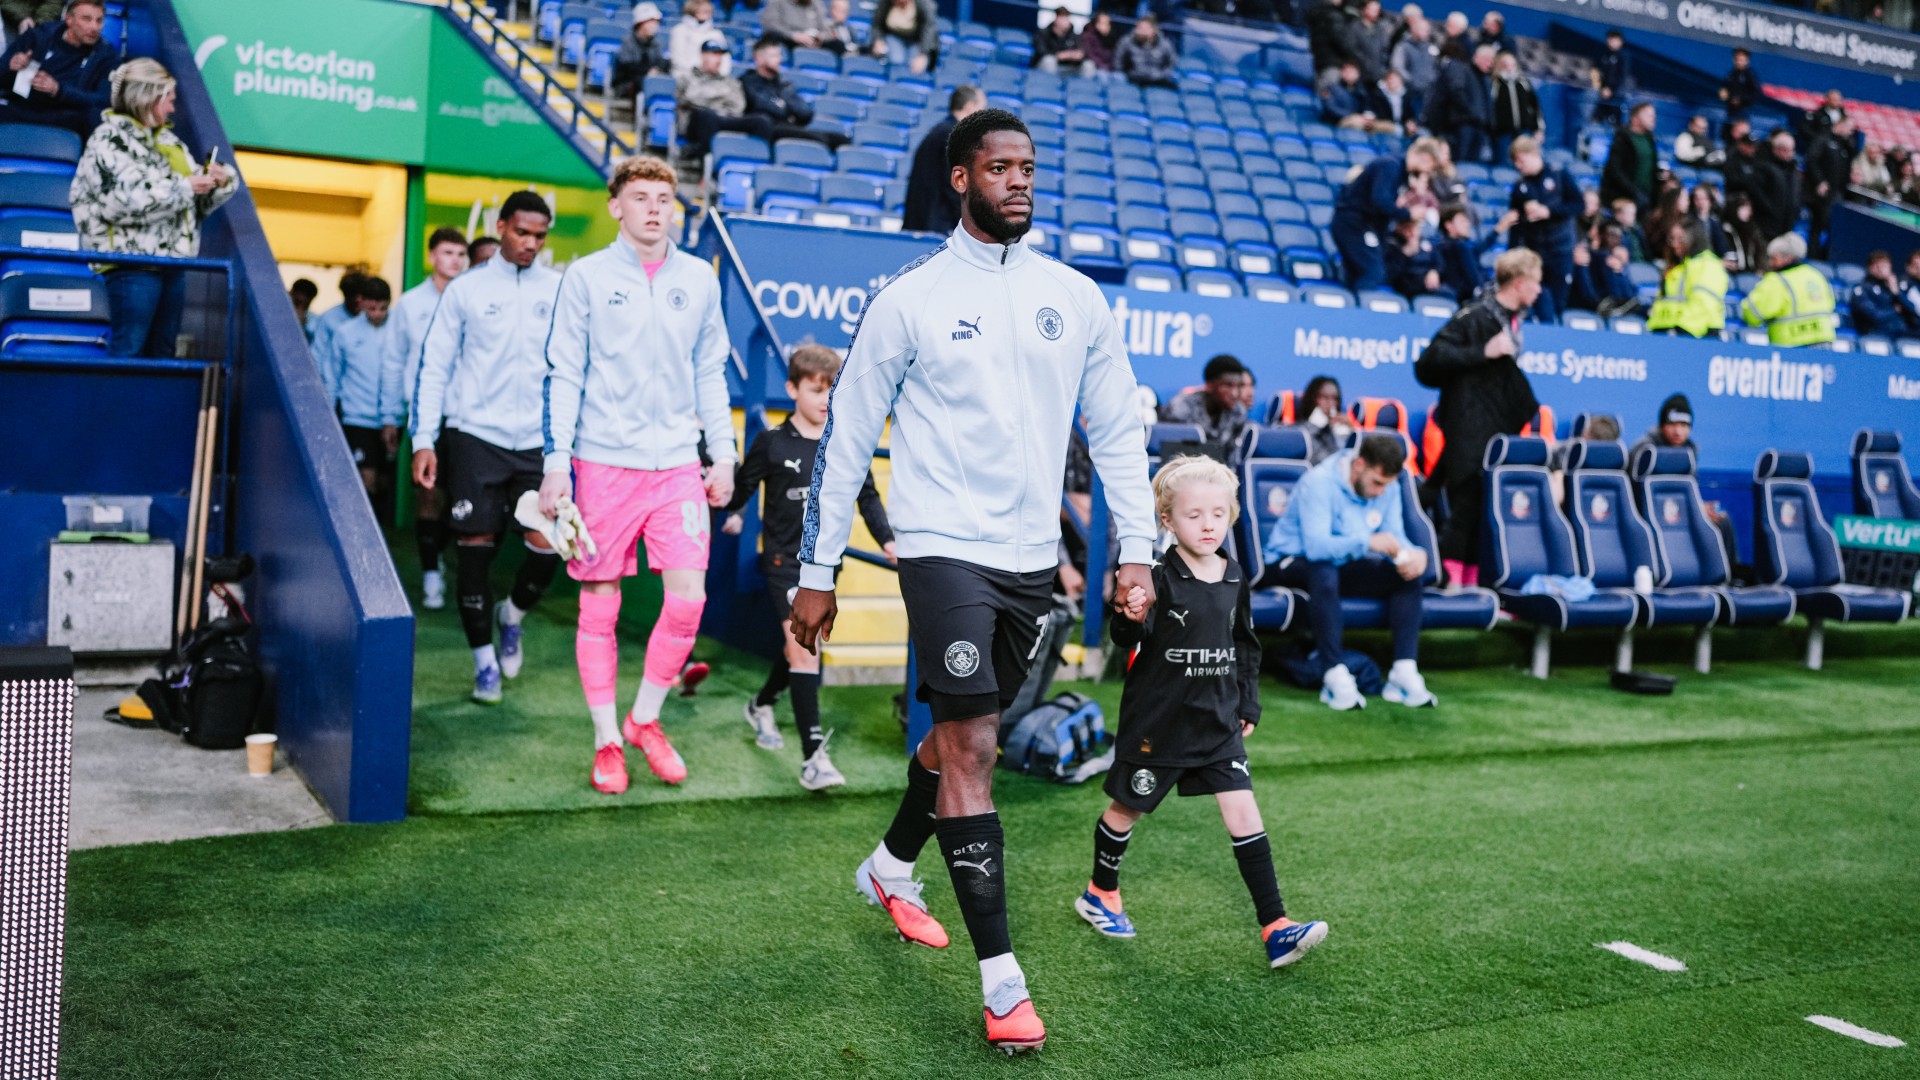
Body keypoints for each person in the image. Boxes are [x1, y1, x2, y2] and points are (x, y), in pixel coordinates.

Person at [790, 109, 1156, 1054]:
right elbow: (845, 444)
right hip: (941, 546)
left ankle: (888, 865)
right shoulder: (907, 299)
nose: (1019, 182)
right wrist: (816, 572)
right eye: (1000, 168)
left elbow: (1117, 431)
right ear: (961, 179)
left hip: (1032, 562)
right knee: (977, 748)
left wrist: (1137, 550)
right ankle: (1003, 987)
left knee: (964, 735)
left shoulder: (1074, 296)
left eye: (1029, 167)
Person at [1075, 456, 1330, 968]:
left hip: (1217, 721)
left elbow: (1244, 644)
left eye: (1219, 512)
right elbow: (1127, 637)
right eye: (1194, 515)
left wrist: (1247, 699)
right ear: (1167, 520)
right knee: (1127, 810)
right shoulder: (1156, 577)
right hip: (1159, 724)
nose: (1209, 524)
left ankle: (1276, 926)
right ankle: (1100, 893)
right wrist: (1129, 614)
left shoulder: (1234, 574)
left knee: (1244, 811)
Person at [539, 156, 735, 794]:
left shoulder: (699, 280)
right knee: (599, 604)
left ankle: (645, 719)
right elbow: (564, 371)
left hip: (677, 462)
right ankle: (606, 742)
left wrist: (723, 454)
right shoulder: (588, 277)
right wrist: (556, 464)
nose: (655, 207)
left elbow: (711, 371)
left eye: (664, 198)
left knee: (689, 600)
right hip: (601, 463)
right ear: (616, 206)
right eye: (641, 197)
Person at [410, 190, 565, 706]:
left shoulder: (560, 289)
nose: (531, 244)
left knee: (547, 548)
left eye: (540, 236)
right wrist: (424, 439)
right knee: (474, 554)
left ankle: (512, 616)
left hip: (539, 442)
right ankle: (483, 665)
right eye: (522, 233)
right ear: (501, 227)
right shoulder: (467, 290)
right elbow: (434, 366)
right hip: (475, 435)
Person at [722, 345, 895, 788]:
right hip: (783, 564)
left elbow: (868, 498)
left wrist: (889, 541)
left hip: (826, 568)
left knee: (798, 646)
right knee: (805, 651)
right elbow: (739, 489)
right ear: (792, 389)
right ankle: (813, 757)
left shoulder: (846, 441)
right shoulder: (771, 443)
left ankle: (761, 704)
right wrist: (731, 509)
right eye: (815, 389)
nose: (824, 398)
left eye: (831, 390)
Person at [69, 58, 235, 359]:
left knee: (163, 355)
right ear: (147, 97)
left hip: (172, 265)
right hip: (131, 265)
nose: (173, 108)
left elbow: (191, 207)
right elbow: (120, 202)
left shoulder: (171, 142)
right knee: (129, 350)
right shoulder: (107, 139)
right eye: (168, 99)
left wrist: (216, 182)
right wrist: (186, 186)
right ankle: (118, 408)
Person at [1261, 433, 1435, 709]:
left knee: (1405, 577)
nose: (1381, 491)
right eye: (1376, 482)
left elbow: (1395, 535)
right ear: (1359, 465)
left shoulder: (1388, 487)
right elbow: (1316, 547)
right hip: (1289, 560)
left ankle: (1404, 670)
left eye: (1386, 485)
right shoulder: (1319, 482)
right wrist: (1367, 541)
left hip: (1342, 561)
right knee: (1324, 569)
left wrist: (1416, 555)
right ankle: (1333, 671)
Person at [1414, 247, 1542, 587]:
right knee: (1465, 509)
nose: (1540, 290)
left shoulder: (1511, 324)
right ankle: (1450, 583)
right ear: (1518, 283)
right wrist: (1482, 352)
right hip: (1466, 428)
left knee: (1479, 508)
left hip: (1492, 431)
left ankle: (1470, 586)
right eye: (1535, 282)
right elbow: (1427, 363)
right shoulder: (1474, 316)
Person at [378, 227, 470, 611]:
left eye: (461, 254)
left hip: (468, 420)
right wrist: (390, 417)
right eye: (448, 252)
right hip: (424, 418)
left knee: (463, 502)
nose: (455, 260)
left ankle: (448, 560)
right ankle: (431, 575)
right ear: (432, 256)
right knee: (428, 497)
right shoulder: (410, 305)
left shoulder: (473, 299)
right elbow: (394, 362)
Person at [316, 276, 395, 509]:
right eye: (372, 308)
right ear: (362, 304)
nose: (377, 314)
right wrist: (329, 415)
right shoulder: (345, 332)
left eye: (383, 308)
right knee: (366, 478)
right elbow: (333, 376)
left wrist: (392, 416)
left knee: (382, 480)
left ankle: (380, 535)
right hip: (356, 418)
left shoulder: (397, 330)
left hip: (391, 420)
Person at [1332, 137, 1440, 291]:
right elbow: (1380, 201)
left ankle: (1352, 309)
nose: (1429, 172)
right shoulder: (1391, 165)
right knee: (1372, 272)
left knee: (1358, 272)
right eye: (1431, 166)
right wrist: (1408, 213)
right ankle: (1362, 312)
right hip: (1352, 223)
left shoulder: (1399, 171)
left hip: (1362, 224)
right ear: (1426, 157)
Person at [1, 0, 116, 134]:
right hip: (21, 109)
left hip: (67, 118)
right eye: (86, 19)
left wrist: (59, 90)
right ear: (69, 19)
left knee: (94, 117)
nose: (94, 27)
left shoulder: (106, 55)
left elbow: (103, 100)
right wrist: (10, 68)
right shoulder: (38, 36)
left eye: (99, 21)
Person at [1507, 136, 1581, 322]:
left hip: (1560, 249)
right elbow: (1514, 224)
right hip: (1534, 253)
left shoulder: (1559, 174)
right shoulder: (1520, 186)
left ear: (1533, 154)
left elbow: (1578, 204)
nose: (1518, 165)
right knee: (1534, 300)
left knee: (1557, 302)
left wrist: (1548, 211)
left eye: (1520, 160)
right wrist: (1512, 254)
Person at [740, 35, 848, 149]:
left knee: (841, 139)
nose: (779, 59)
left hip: (790, 127)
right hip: (771, 129)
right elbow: (768, 108)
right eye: (774, 56)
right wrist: (785, 106)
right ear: (759, 58)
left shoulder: (783, 84)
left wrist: (783, 102)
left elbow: (806, 114)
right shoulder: (748, 82)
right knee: (820, 140)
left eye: (779, 55)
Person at [903, 85, 982, 234]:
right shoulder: (952, 135)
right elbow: (953, 184)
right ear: (970, 107)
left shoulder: (942, 130)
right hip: (936, 225)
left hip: (925, 221)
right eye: (981, 109)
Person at [1738, 233, 1836, 347]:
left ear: (1787, 258)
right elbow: (1831, 304)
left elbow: (1752, 313)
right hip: (1825, 348)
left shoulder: (1777, 281)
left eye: (1774, 258)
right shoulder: (1816, 275)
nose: (1770, 262)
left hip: (1792, 350)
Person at [678, 38, 759, 161]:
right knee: (706, 115)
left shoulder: (730, 82)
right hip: (695, 125)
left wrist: (710, 101)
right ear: (703, 55)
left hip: (725, 120)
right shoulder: (688, 78)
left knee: (760, 121)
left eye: (720, 55)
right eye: (715, 54)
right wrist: (721, 95)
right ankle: (705, 162)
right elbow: (691, 98)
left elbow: (738, 106)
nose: (719, 59)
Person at [1647, 217, 1728, 338]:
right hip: (1664, 332)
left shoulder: (1708, 265)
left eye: (1680, 239)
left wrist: (1682, 331)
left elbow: (1703, 304)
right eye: (1672, 239)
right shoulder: (1677, 266)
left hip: (1693, 336)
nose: (1674, 244)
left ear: (1693, 238)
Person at [1160, 353, 1254, 446]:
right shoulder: (1180, 409)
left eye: (1238, 386)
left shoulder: (1238, 412)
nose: (1234, 393)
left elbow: (1235, 456)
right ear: (1209, 386)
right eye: (1227, 386)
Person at [1422, 43, 1493, 165]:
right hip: (1463, 124)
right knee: (1460, 160)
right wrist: (1471, 112)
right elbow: (1456, 92)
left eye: (1492, 61)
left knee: (1473, 164)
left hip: (1479, 127)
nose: (1490, 64)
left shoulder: (1485, 79)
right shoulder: (1462, 69)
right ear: (1477, 57)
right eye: (1487, 59)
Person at [1435, 202, 1509, 303]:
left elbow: (1479, 248)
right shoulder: (1452, 247)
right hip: (1464, 299)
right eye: (1462, 221)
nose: (1467, 224)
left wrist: (1498, 229)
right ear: (1449, 225)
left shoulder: (1463, 247)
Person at [1803, 116, 1853, 259]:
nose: (1850, 132)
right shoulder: (1823, 139)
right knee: (1817, 226)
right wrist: (1820, 181)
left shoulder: (1844, 145)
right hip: (1819, 193)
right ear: (1839, 125)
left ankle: (1824, 256)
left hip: (1836, 194)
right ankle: (1812, 255)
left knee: (1832, 228)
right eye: (1849, 127)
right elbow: (1812, 160)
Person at [1600, 103, 1658, 213]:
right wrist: (1634, 191)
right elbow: (1615, 170)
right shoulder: (1622, 138)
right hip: (1624, 196)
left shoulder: (1649, 138)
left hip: (1645, 196)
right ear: (1635, 118)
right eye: (1649, 115)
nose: (1653, 118)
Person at [1848, 250, 1919, 338]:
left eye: (1885, 266)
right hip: (1875, 333)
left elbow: (1914, 311)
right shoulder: (1862, 289)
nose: (1881, 269)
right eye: (1877, 266)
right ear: (1869, 268)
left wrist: (1896, 293)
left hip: (1903, 334)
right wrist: (1895, 311)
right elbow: (1874, 316)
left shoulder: (1895, 288)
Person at [1488, 50, 1540, 167]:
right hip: (1503, 133)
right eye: (1505, 64)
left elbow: (1535, 106)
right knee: (1503, 164)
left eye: (1512, 64)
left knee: (1525, 162)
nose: (1509, 68)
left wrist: (1537, 128)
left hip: (1523, 131)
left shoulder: (1524, 82)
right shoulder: (1494, 84)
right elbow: (1490, 109)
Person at [1751, 131, 1802, 245]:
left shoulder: (1793, 170)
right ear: (1776, 149)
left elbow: (1797, 195)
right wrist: (1770, 210)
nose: (1790, 154)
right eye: (1786, 150)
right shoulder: (1763, 166)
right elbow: (1757, 193)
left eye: (1792, 150)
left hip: (1786, 226)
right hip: (1765, 225)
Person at [611, 3, 668, 105]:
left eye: (656, 23)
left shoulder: (656, 43)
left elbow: (660, 62)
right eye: (651, 22)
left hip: (650, 82)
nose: (654, 26)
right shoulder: (628, 41)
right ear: (640, 23)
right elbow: (627, 67)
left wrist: (655, 70)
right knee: (641, 82)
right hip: (627, 84)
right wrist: (647, 71)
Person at [1291, 375, 1354, 465]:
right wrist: (1315, 426)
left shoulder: (1340, 427)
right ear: (1312, 398)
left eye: (1334, 398)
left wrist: (1351, 434)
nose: (1330, 403)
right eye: (1325, 397)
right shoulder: (1298, 429)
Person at [1323, 61, 1394, 134]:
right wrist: (1351, 115)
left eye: (1353, 72)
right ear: (1342, 73)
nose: (1350, 74)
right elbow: (1331, 109)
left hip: (1361, 119)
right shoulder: (1332, 88)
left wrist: (1369, 116)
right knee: (1356, 122)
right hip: (1340, 122)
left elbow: (1368, 106)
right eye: (1348, 71)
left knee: (1388, 126)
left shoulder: (1362, 90)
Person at [1385, 208, 1441, 300]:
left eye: (1414, 227)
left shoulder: (1425, 244)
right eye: (1407, 228)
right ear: (1399, 228)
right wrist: (1405, 254)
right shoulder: (1391, 244)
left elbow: (1438, 262)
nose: (1411, 232)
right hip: (1407, 287)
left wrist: (1434, 271)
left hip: (1430, 285)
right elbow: (1388, 274)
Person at [871, 0, 937, 73]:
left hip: (916, 40)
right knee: (896, 61)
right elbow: (877, 25)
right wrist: (878, 40)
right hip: (893, 36)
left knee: (915, 67)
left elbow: (928, 30)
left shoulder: (925, 4)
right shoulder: (885, 3)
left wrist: (923, 54)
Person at [668, 0, 727, 81]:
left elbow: (725, 59)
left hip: (712, 79)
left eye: (708, 11)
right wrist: (697, 71)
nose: (706, 13)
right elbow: (677, 60)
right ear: (693, 10)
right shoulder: (680, 30)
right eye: (702, 10)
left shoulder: (716, 34)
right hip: (684, 76)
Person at [1116, 15, 1176, 90]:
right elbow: (1118, 63)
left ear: (1153, 31)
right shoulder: (1127, 41)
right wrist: (1130, 73)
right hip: (1133, 80)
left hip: (1158, 81)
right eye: (1138, 27)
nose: (1138, 31)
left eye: (1143, 28)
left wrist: (1159, 75)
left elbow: (1171, 64)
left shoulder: (1165, 44)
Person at [1390, 8, 1438, 98]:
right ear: (1413, 30)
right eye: (1423, 30)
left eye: (1427, 30)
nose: (1426, 33)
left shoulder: (1431, 47)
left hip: (1429, 91)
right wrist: (1412, 81)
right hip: (1411, 92)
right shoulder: (1403, 46)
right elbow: (1397, 66)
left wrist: (1433, 80)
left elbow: (1436, 65)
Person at [1032, 7, 1087, 76]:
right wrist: (1058, 55)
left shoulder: (1074, 36)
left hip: (1069, 67)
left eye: (1067, 18)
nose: (1065, 21)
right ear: (1056, 18)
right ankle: (1049, 83)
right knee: (1049, 60)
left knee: (1088, 65)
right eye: (1062, 18)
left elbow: (1082, 51)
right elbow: (1041, 51)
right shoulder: (1043, 33)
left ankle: (1082, 86)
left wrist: (1077, 55)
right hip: (1045, 67)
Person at [1720, 191, 1764, 274]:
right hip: (1731, 273)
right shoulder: (1725, 230)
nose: (1748, 212)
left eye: (1748, 208)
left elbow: (1760, 252)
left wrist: (1760, 269)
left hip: (1752, 273)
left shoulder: (1753, 230)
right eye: (1744, 208)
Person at [1590, 28, 1626, 126]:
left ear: (1621, 42)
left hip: (1616, 96)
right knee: (1596, 118)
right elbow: (1594, 71)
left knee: (1616, 121)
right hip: (1601, 95)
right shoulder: (1601, 54)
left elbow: (1620, 77)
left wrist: (1611, 90)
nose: (1613, 42)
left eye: (1615, 39)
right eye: (1611, 39)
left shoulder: (1622, 58)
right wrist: (1600, 88)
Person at [1719, 49, 1760, 126]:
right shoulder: (1731, 74)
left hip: (1743, 111)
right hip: (1730, 110)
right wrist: (1724, 94)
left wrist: (1740, 100)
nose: (1738, 62)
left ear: (1747, 61)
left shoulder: (1750, 75)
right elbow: (1724, 89)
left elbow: (1756, 93)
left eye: (1741, 60)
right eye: (1736, 59)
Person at [762, 0, 829, 48]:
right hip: (788, 38)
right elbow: (771, 24)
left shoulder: (816, 3)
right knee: (772, 36)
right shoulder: (777, 2)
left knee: (836, 44)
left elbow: (824, 28)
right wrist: (794, 36)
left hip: (812, 39)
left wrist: (821, 36)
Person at [1080, 11, 1120, 78]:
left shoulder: (1112, 38)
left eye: (1108, 24)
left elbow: (1115, 56)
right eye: (1104, 23)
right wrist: (1105, 67)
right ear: (1097, 24)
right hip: (1096, 68)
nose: (1108, 26)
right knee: (1102, 75)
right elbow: (1090, 55)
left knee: (1119, 77)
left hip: (1110, 68)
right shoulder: (1087, 36)